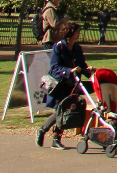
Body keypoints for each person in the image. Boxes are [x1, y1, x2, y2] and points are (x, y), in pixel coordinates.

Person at [36, 20, 91, 150]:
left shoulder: (77, 48)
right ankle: (50, 135)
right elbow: (54, 68)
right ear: (70, 32)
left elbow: (82, 65)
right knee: (61, 111)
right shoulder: (58, 47)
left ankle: (48, 134)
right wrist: (68, 71)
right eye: (77, 31)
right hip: (60, 84)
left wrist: (89, 71)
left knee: (65, 111)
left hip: (72, 84)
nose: (79, 33)